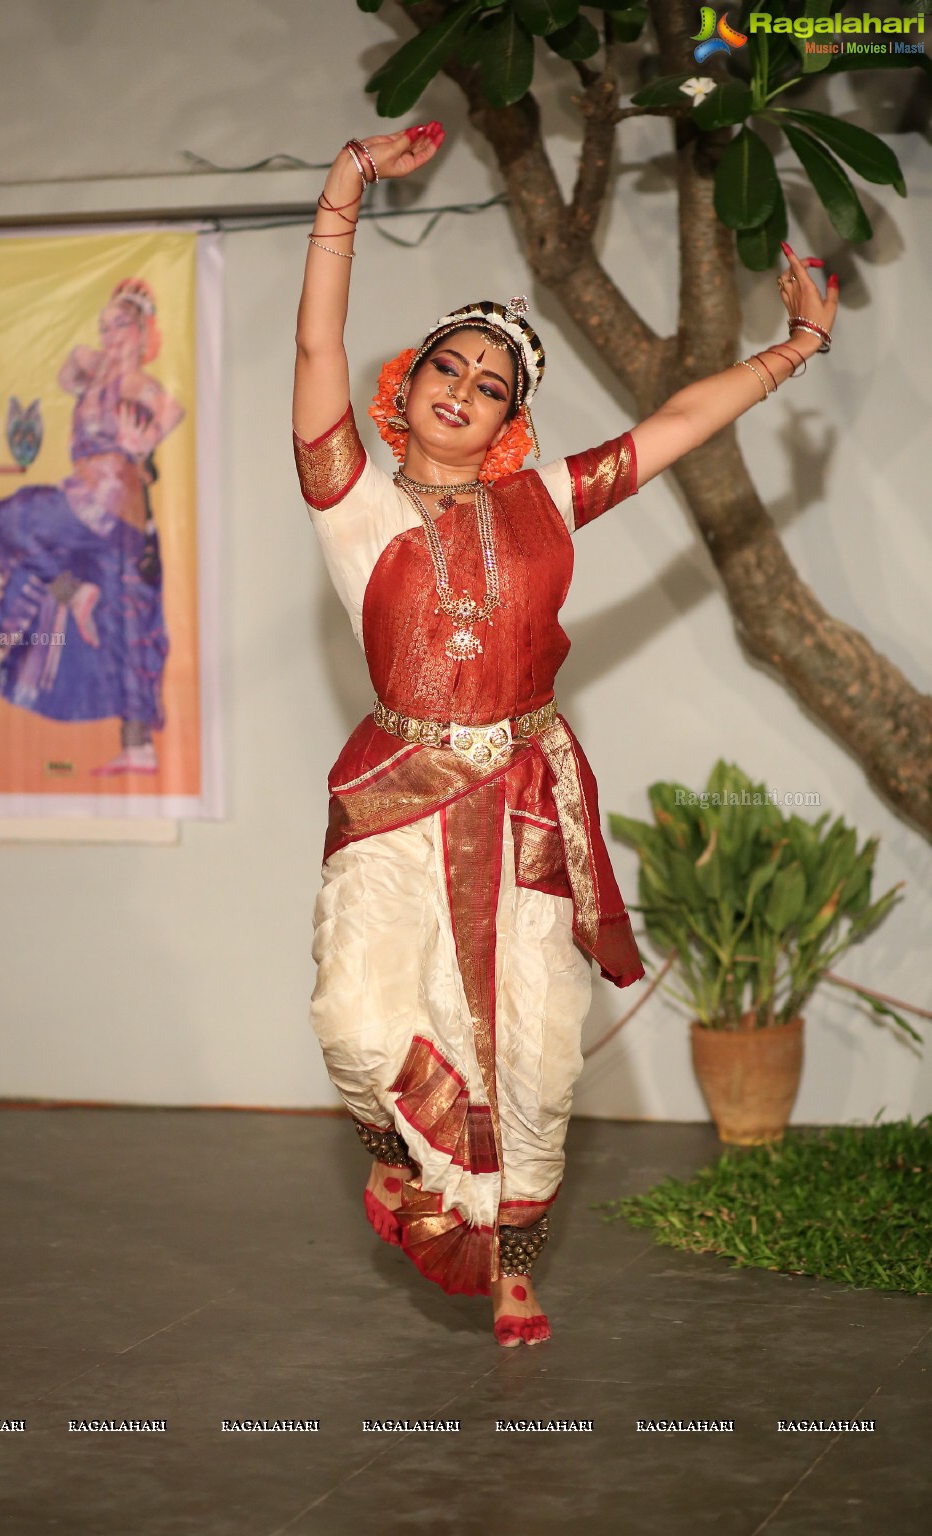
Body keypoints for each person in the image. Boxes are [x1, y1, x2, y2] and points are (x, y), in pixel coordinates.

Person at [292, 125, 838, 1347]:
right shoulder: (352, 499)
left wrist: (795, 347)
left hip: (528, 798)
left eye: (493, 383)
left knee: (538, 1051)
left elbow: (683, 421)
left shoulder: (544, 503)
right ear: (408, 382)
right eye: (450, 364)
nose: (465, 386)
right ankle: (401, 1155)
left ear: (508, 424)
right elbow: (316, 339)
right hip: (397, 790)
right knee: (359, 1019)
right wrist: (349, 184)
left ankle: (513, 1261)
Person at [0, 277, 184, 775]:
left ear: (142, 333)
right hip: (119, 523)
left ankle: (72, 592)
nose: (109, 333)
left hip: (100, 502)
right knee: (125, 619)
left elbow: (167, 412)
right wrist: (105, 354)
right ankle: (136, 743)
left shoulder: (140, 385)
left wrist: (139, 446)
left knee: (9, 516)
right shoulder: (101, 374)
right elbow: (67, 371)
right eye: (104, 325)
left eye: (120, 324)